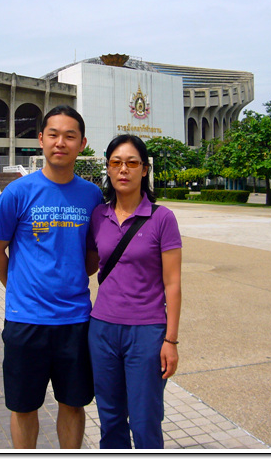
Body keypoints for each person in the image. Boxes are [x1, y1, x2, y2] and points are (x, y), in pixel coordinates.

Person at [0, 105, 104, 449]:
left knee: (73, 402)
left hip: (75, 320)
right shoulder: (18, 193)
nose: (60, 142)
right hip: (26, 322)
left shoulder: (92, 196)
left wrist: (68, 276)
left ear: (82, 143)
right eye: (53, 134)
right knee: (24, 406)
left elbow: (93, 254)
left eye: (70, 136)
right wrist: (19, 289)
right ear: (40, 140)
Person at [86, 134, 182, 449]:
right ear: (108, 170)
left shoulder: (161, 218)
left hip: (147, 332)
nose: (123, 170)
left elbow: (173, 282)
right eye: (116, 163)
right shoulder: (98, 215)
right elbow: (87, 264)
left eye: (131, 163)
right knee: (110, 418)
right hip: (102, 329)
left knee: (145, 419)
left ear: (144, 169)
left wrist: (170, 340)